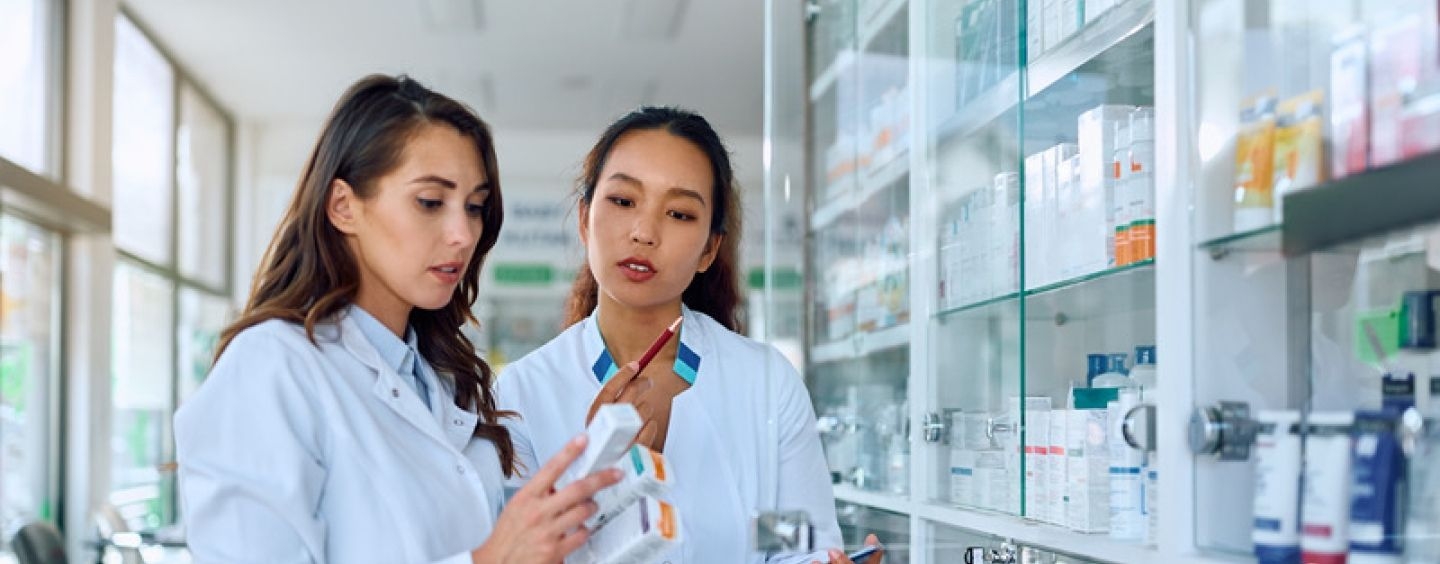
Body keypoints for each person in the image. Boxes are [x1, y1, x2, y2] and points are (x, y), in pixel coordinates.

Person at [174, 74, 621, 564]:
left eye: (474, 207)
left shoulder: (440, 380)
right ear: (344, 206)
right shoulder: (272, 367)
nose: (463, 234)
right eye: (430, 202)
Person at [496, 106, 883, 564]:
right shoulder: (520, 394)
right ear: (584, 219)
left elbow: (792, 546)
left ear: (709, 250)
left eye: (679, 213)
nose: (644, 232)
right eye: (623, 201)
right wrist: (599, 472)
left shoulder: (764, 382)